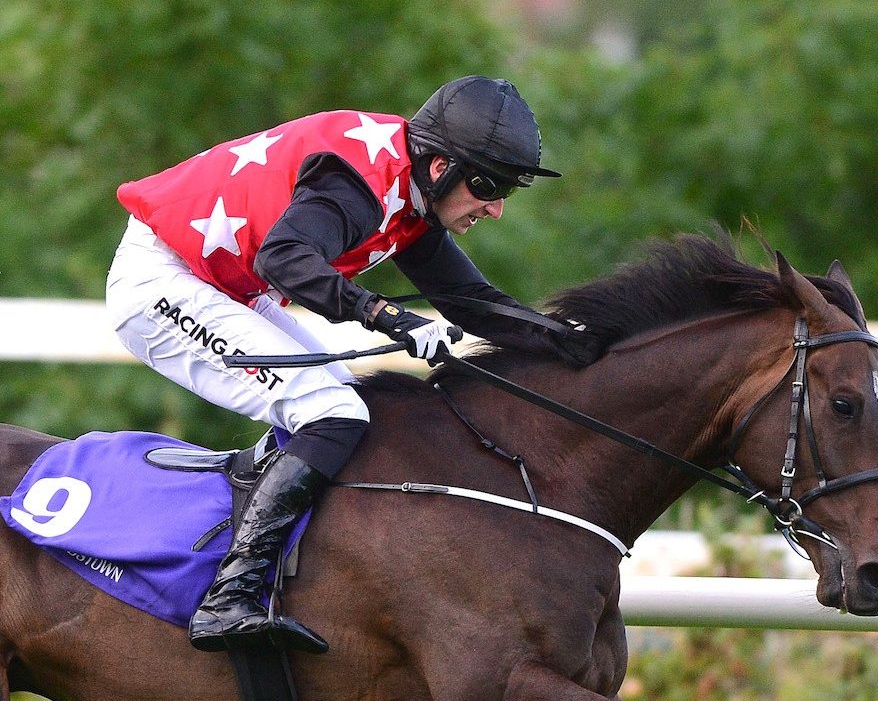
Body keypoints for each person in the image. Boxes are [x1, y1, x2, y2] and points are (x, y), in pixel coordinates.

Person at [108, 75, 601, 656]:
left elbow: (475, 304)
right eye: (488, 186)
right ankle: (228, 597)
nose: (493, 209)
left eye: (506, 193)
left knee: (356, 407)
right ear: (440, 164)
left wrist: (577, 340)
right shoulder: (360, 181)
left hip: (221, 285)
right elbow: (286, 258)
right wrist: (388, 316)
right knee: (332, 412)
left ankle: (266, 548)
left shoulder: (411, 193)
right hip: (163, 282)